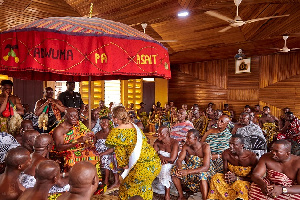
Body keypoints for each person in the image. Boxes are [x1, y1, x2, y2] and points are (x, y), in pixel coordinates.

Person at [105, 106, 161, 200]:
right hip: (154, 163)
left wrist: (124, 166)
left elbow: (120, 153)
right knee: (144, 188)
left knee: (125, 189)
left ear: (115, 119)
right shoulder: (135, 127)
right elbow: (145, 142)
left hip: (141, 167)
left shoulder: (116, 132)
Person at [208, 134, 258, 200]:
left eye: (234, 144)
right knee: (216, 177)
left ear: (242, 146)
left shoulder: (251, 157)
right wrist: (229, 176)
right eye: (230, 144)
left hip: (244, 181)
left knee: (240, 185)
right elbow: (225, 170)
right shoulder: (226, 154)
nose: (231, 146)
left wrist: (237, 178)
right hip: (231, 180)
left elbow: (254, 177)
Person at [171, 129, 213, 200]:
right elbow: (179, 160)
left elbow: (206, 167)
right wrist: (180, 169)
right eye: (186, 137)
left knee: (202, 175)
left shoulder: (205, 147)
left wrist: (187, 172)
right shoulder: (186, 146)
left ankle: (205, 198)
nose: (186, 140)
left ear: (195, 138)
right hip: (191, 168)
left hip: (205, 170)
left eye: (188, 138)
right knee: (174, 170)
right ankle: (181, 196)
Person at [153, 125, 179, 200]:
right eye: (158, 132)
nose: (158, 134)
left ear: (167, 133)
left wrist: (161, 157)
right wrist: (160, 156)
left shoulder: (174, 143)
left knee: (165, 168)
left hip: (173, 163)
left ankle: (167, 194)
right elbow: (154, 153)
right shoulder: (157, 142)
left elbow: (172, 160)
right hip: (160, 161)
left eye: (161, 133)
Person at [95, 116, 119, 189]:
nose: (104, 124)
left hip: (110, 153)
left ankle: (106, 181)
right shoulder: (97, 134)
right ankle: (97, 181)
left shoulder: (113, 133)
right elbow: (93, 144)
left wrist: (101, 154)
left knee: (107, 157)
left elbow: (112, 148)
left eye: (105, 122)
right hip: (99, 153)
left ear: (109, 123)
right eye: (102, 122)